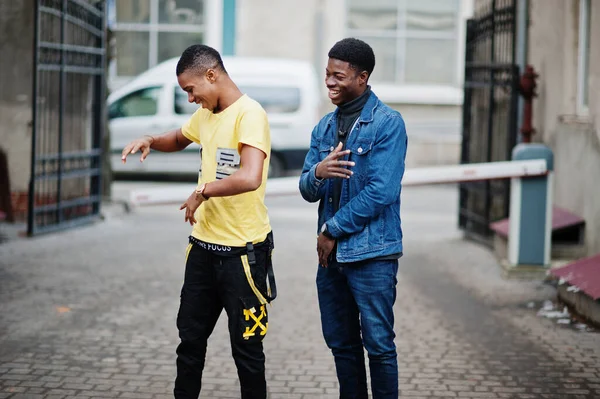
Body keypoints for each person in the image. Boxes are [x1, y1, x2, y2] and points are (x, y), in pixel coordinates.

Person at [121, 44, 276, 399]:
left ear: (211, 75)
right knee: (189, 345)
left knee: (247, 353)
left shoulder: (250, 114)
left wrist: (203, 190)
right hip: (203, 252)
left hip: (243, 256)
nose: (190, 99)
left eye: (191, 90)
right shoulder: (207, 114)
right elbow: (178, 138)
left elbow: (251, 176)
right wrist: (150, 139)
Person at [299, 38, 408, 399]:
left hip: (372, 255)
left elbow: (381, 191)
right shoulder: (323, 128)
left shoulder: (388, 124)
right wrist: (319, 171)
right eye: (327, 74)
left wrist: (332, 228)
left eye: (338, 76)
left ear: (362, 78)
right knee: (342, 345)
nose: (329, 82)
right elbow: (306, 188)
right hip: (330, 262)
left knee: (378, 346)